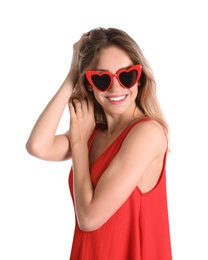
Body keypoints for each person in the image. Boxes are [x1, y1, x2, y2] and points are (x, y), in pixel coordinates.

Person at [26, 27, 172, 260]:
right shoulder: (93, 133)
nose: (116, 87)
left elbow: (89, 218)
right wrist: (73, 73)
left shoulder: (147, 133)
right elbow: (38, 146)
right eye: (102, 78)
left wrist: (78, 143)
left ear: (139, 79)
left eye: (126, 76)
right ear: (90, 83)